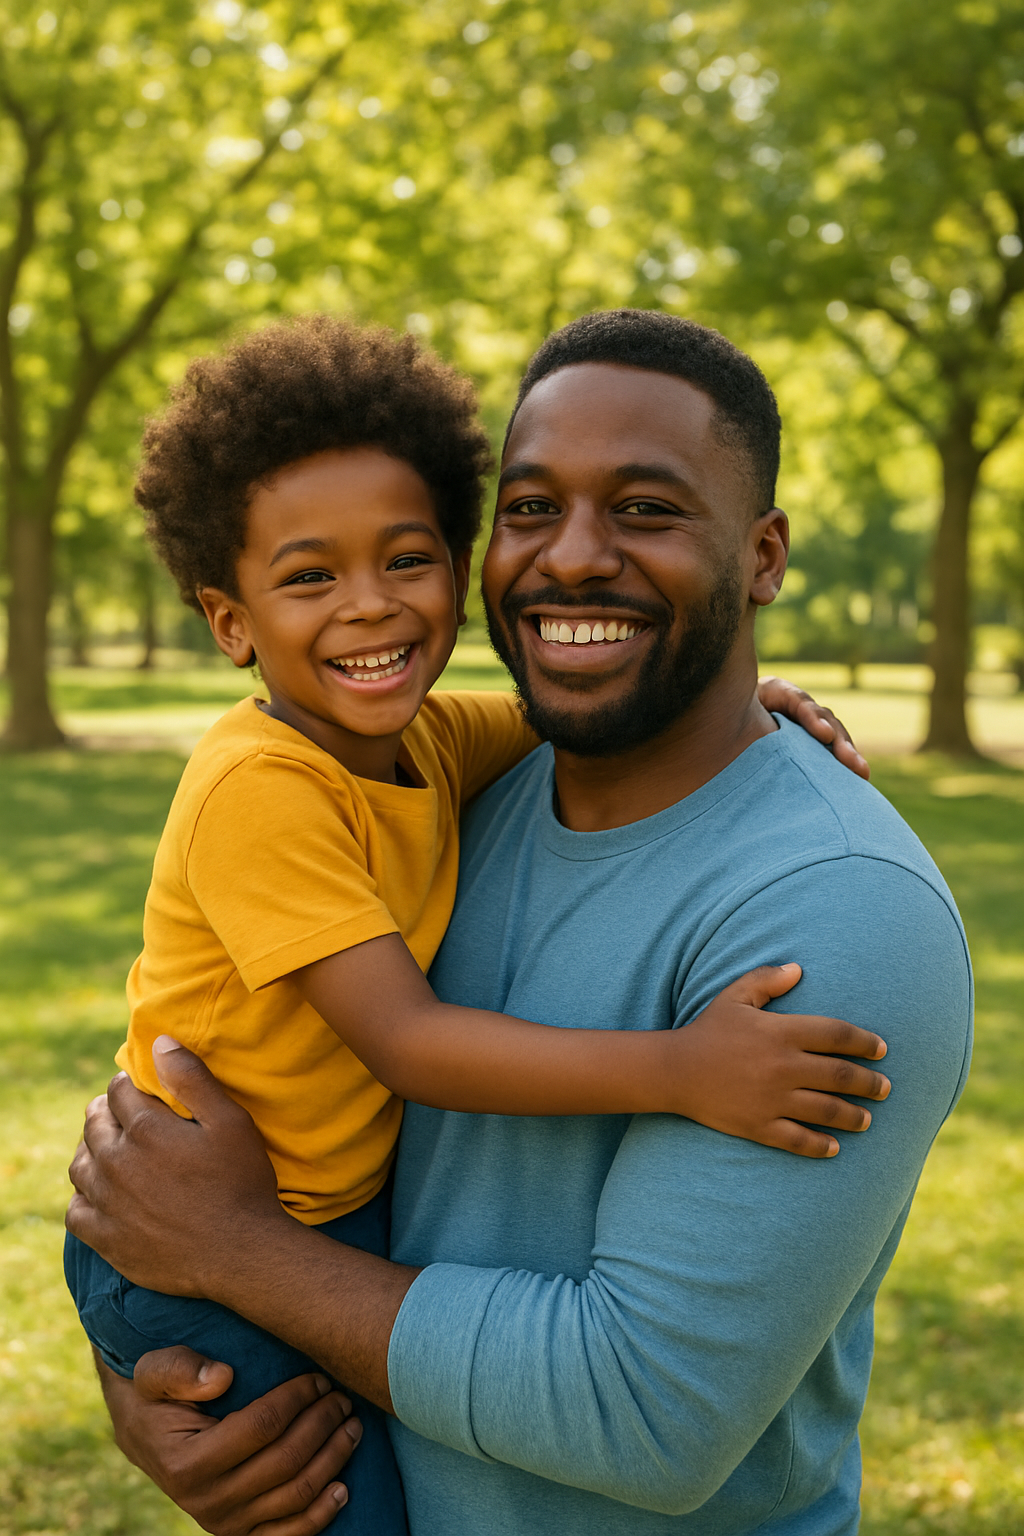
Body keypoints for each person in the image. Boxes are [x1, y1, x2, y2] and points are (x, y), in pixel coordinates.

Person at [68, 310, 972, 1536]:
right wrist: (158, 1384)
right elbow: (223, 1079)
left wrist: (239, 1257)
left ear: (762, 557)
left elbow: (642, 1416)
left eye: (645, 509)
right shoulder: (458, 798)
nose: (574, 558)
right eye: (532, 507)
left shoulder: (835, 903)